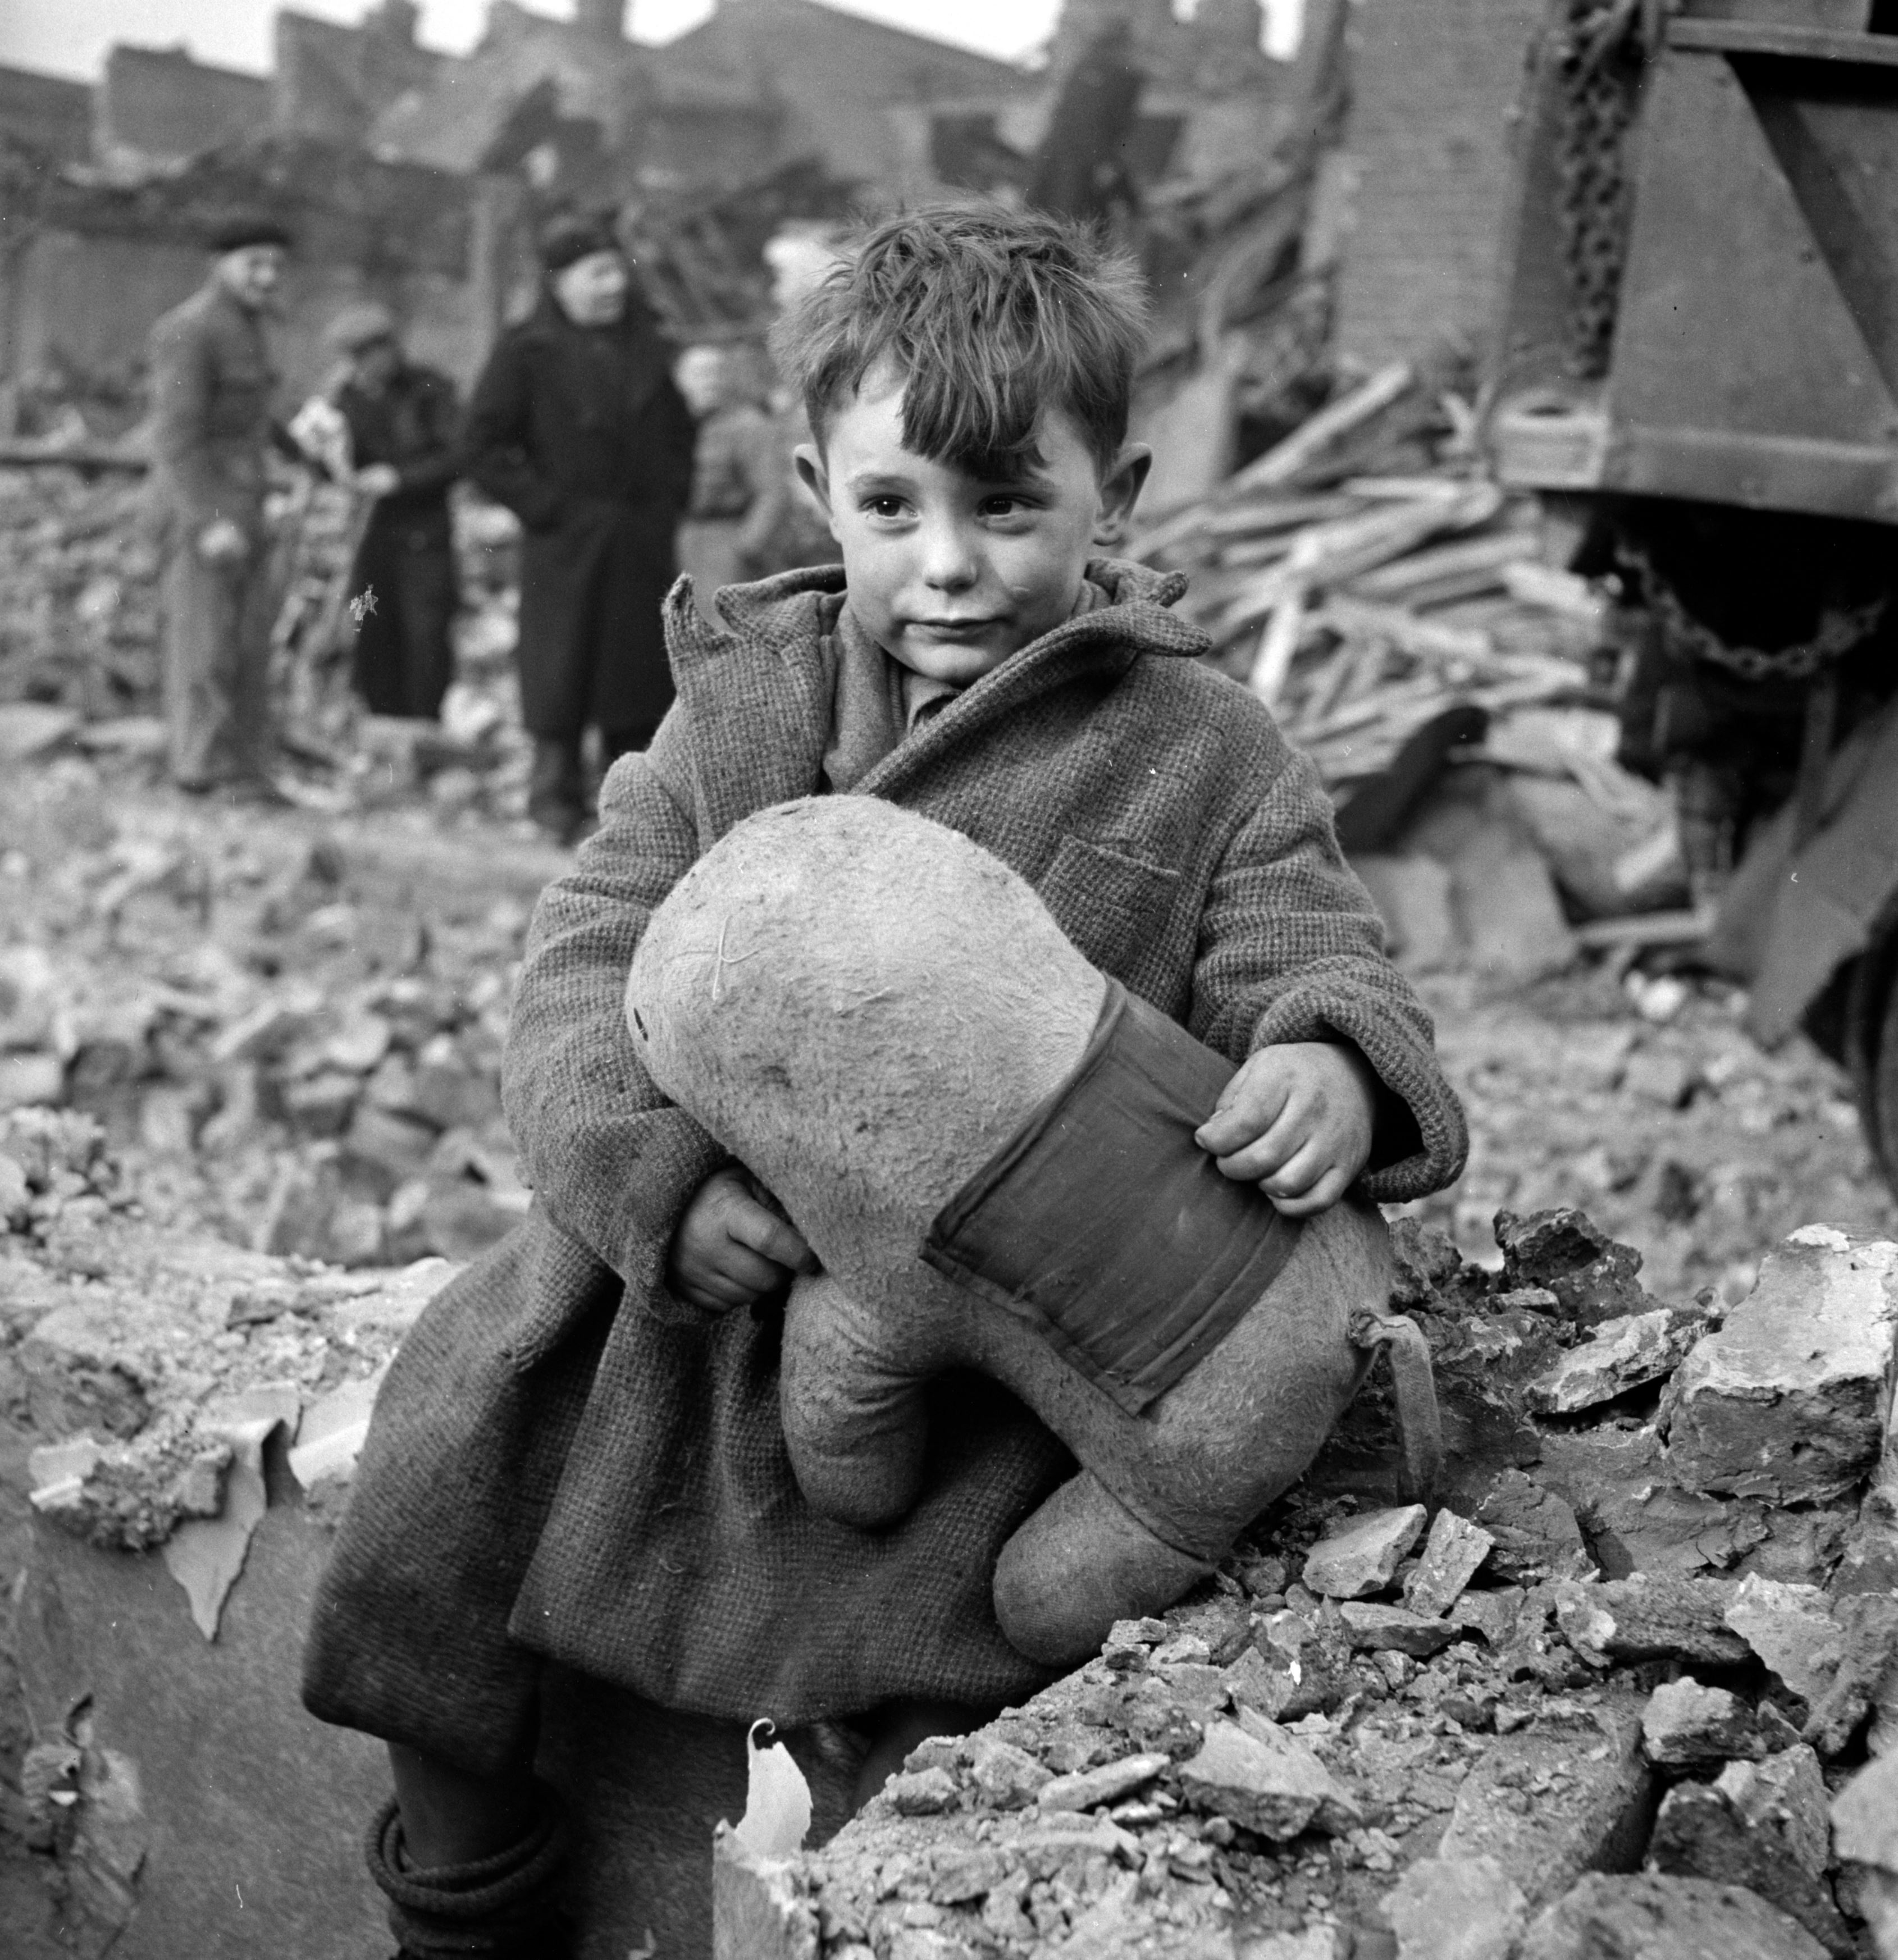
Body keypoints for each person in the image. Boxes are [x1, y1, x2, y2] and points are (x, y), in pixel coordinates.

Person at [303, 203, 1470, 1958]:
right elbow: (579, 958)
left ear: (1117, 493)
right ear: (810, 487)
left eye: (1008, 506)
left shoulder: (1195, 745)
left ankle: (867, 1871)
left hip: (983, 1335)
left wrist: (1324, 1056)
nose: (946, 567)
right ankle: (462, 1890)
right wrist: (649, 1179)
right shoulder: (739, 712)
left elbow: (1307, 940)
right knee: (455, 1453)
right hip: (697, 1292)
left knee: (956, 1630)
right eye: (891, 508)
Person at [462, 212, 696, 843]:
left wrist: (667, 499)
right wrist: (547, 508)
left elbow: (677, 432)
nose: (612, 287)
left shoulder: (645, 344)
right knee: (560, 670)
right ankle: (553, 803)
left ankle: (627, 811)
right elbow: (482, 445)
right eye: (596, 274)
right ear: (559, 283)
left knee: (635, 676)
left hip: (638, 538)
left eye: (618, 272)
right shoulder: (525, 351)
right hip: (566, 541)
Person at [146, 213, 297, 799]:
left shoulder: (252, 327)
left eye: (276, 266)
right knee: (203, 642)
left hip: (248, 502)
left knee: (247, 644)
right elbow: (176, 438)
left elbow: (252, 420)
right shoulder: (190, 330)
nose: (266, 276)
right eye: (253, 263)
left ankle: (240, 770)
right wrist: (208, 523)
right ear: (221, 265)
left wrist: (302, 448)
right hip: (203, 510)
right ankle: (199, 770)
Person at [323, 302, 464, 721]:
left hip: (424, 540)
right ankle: (379, 723)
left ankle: (423, 725)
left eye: (368, 354)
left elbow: (456, 455)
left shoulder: (430, 391)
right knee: (370, 626)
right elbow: (336, 462)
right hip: (370, 542)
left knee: (427, 635)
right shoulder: (345, 399)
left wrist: (399, 478)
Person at [672, 341, 791, 620]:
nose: (710, 382)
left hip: (724, 538)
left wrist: (745, 548)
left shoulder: (748, 425)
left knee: (720, 626)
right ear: (679, 377)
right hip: (675, 536)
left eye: (717, 373)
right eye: (700, 374)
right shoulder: (666, 425)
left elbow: (773, 493)